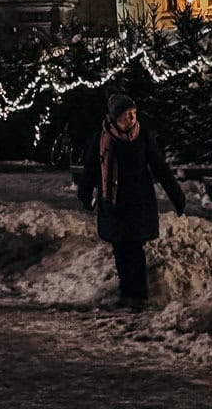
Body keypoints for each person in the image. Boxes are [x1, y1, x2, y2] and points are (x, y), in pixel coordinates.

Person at [78, 93, 185, 312]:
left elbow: (159, 167)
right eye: (126, 115)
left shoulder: (143, 136)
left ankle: (138, 295)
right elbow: (90, 169)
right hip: (114, 204)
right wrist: (85, 194)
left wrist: (177, 195)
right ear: (114, 118)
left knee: (135, 248)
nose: (131, 119)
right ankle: (126, 292)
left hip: (138, 202)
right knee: (120, 249)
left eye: (133, 114)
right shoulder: (102, 139)